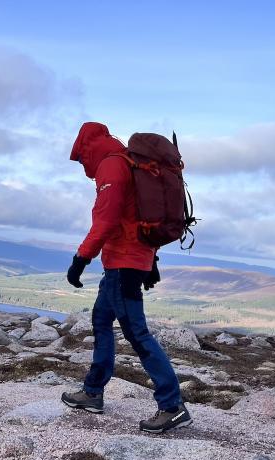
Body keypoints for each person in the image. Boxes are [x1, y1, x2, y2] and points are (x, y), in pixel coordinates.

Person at [60, 121, 192, 433]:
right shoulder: (129, 163)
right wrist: (150, 262)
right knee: (101, 320)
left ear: (88, 149)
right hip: (129, 261)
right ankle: (92, 392)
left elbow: (106, 220)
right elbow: (135, 218)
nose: (82, 166)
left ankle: (172, 405)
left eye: (81, 159)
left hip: (123, 264)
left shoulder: (112, 167)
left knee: (136, 332)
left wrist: (80, 258)